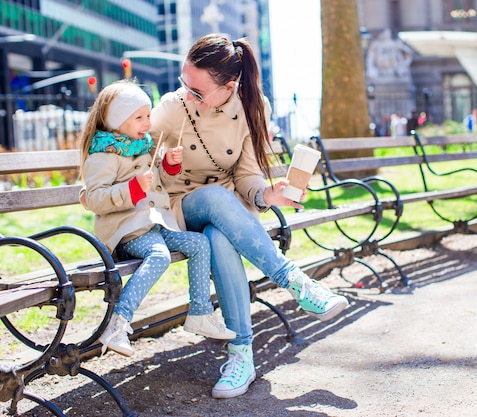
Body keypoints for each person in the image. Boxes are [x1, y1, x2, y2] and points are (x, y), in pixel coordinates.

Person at [150, 34, 349, 399]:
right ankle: (297, 283)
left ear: (229, 87)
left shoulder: (251, 108)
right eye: (184, 83)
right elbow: (139, 162)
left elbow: (246, 173)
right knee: (211, 199)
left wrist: (267, 194)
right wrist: (165, 163)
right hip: (179, 205)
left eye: (197, 90)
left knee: (219, 237)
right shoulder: (170, 108)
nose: (186, 94)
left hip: (227, 210)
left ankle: (241, 355)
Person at [79, 80, 236, 357]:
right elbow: (94, 199)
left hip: (152, 225)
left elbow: (157, 184)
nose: (146, 122)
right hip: (125, 233)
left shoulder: (141, 147)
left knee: (199, 243)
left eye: (148, 115)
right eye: (138, 117)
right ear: (117, 120)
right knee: (160, 255)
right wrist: (133, 188)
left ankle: (200, 312)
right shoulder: (103, 154)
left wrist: (168, 165)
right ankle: (118, 323)